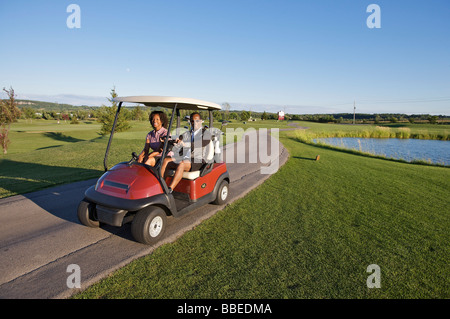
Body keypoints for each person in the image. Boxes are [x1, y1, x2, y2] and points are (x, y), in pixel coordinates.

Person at [160, 112, 211, 193]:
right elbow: (179, 138)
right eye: (192, 121)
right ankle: (160, 185)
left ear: (201, 121)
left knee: (182, 164)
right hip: (185, 157)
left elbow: (198, 144)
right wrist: (171, 139)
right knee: (166, 160)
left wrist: (185, 144)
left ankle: (170, 189)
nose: (194, 123)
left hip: (197, 160)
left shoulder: (206, 134)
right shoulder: (188, 133)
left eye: (197, 121)